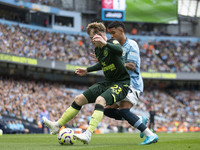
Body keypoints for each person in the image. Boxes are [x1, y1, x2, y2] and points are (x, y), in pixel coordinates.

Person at [42, 22, 130, 144]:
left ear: (99, 35)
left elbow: (119, 51)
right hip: (108, 82)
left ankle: (88, 134)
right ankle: (57, 125)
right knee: (79, 99)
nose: (91, 41)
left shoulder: (112, 42)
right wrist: (87, 70)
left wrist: (104, 43)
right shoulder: (98, 50)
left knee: (100, 100)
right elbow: (103, 63)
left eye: (91, 38)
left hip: (121, 83)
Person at [102, 21, 158, 145]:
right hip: (121, 84)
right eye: (109, 33)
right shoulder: (115, 49)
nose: (111, 36)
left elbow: (132, 66)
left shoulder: (131, 44)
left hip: (132, 83)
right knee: (108, 110)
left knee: (123, 111)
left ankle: (150, 135)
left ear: (121, 31)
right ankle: (139, 119)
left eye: (113, 33)